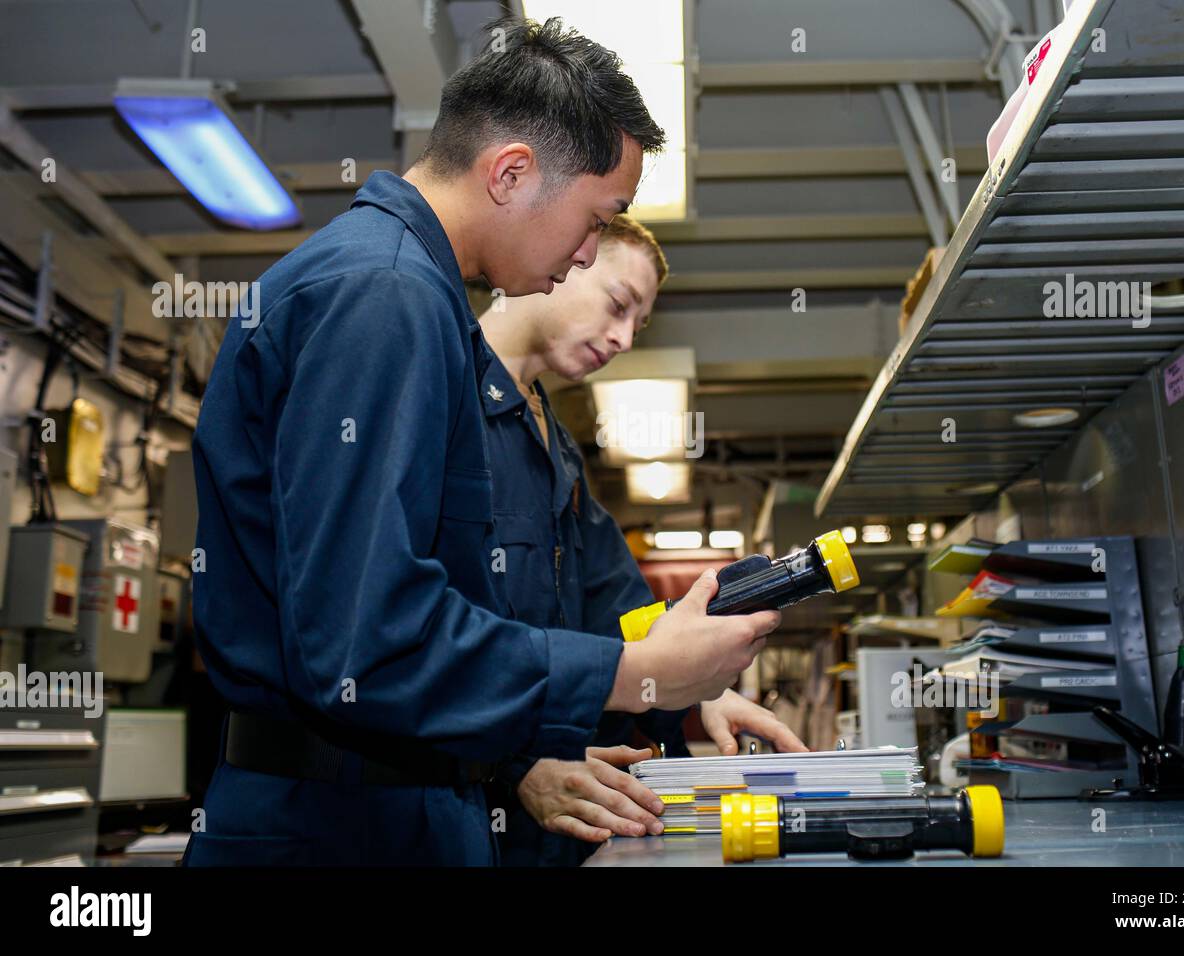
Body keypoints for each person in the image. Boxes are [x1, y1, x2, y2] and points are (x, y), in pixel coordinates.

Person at [184, 18, 779, 867]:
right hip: (343, 829)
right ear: (511, 173)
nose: (583, 255)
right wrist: (631, 676)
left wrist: (660, 669)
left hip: (402, 804)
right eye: (595, 219)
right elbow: (366, 639)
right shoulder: (383, 296)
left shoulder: (416, 299)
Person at [478, 215, 807, 866]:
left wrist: (703, 692)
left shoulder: (559, 451)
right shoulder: (438, 396)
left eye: (638, 323)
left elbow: (624, 609)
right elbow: (414, 631)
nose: (624, 338)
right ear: (565, 255)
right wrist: (506, 764)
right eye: (618, 304)